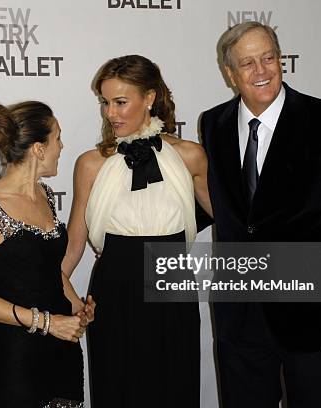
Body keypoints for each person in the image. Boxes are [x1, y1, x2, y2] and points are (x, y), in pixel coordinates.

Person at [200, 22, 321, 408]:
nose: (261, 71)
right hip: (239, 313)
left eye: (268, 58)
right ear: (230, 74)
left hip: (313, 314)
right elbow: (220, 205)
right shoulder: (212, 123)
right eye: (247, 63)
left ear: (281, 60)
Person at [62, 55, 212, 407]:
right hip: (115, 286)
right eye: (105, 103)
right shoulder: (90, 163)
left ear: (149, 98)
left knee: (175, 385)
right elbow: (74, 243)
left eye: (120, 102)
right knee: (118, 387)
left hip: (173, 281)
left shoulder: (190, 155)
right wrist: (53, 289)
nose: (111, 113)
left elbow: (234, 222)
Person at [0, 101, 93, 407]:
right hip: (17, 357)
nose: (62, 146)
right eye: (57, 137)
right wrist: (48, 323)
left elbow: (48, 269)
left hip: (63, 351)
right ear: (39, 148)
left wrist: (78, 309)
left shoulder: (44, 195)